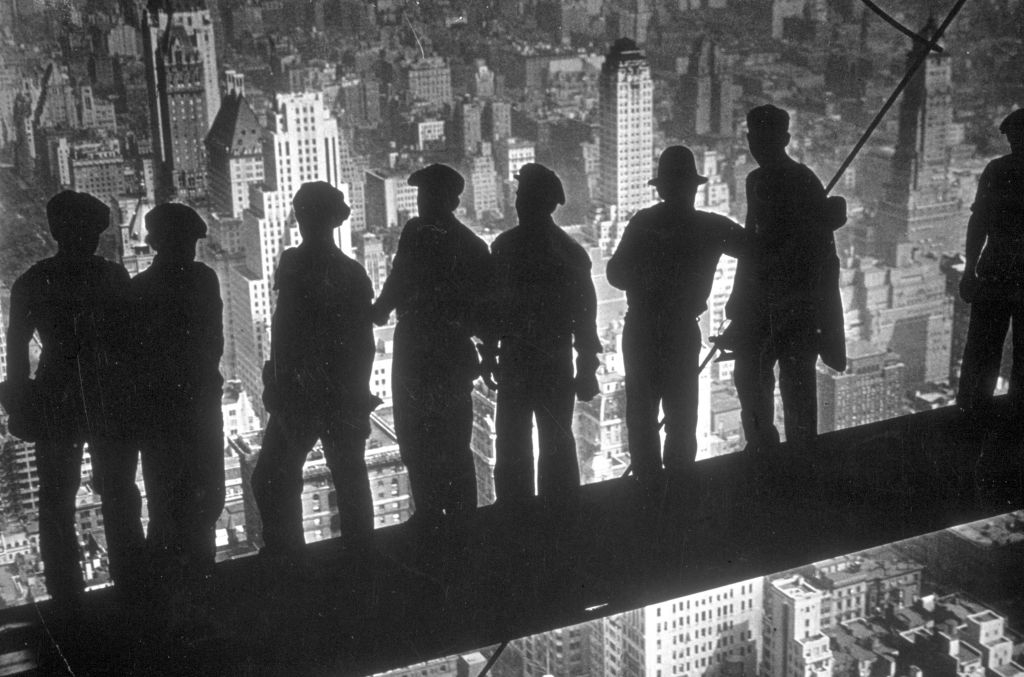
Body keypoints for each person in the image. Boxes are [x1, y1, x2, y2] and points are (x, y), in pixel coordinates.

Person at [3, 191, 144, 607]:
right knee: (117, 490)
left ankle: (67, 597)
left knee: (56, 498)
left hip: (56, 395)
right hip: (106, 394)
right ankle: (132, 584)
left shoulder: (32, 281)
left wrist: (21, 400)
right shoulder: (113, 277)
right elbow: (131, 342)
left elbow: (15, 353)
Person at [607, 147, 748, 485]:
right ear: (693, 188)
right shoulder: (711, 227)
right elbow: (755, 250)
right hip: (681, 332)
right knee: (682, 417)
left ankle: (647, 490)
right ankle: (679, 490)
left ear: (661, 188)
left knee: (641, 416)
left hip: (641, 329)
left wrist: (649, 273)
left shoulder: (644, 222)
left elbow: (615, 274)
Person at [252, 182, 377, 558]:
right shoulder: (346, 272)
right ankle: (358, 556)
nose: (302, 220)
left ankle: (290, 556)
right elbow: (286, 330)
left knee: (277, 477)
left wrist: (282, 384)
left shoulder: (303, 265)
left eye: (306, 213)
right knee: (346, 477)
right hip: (324, 395)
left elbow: (354, 343)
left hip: (308, 396)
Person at [372, 164, 490, 525]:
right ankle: (454, 515)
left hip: (422, 350)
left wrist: (378, 311)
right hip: (445, 353)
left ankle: (439, 514)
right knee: (440, 438)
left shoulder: (423, 234)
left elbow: (398, 281)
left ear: (449, 200)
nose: (422, 201)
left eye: (428, 195)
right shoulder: (468, 244)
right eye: (421, 195)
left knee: (428, 436)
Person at [724, 105, 846, 453]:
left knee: (792, 383)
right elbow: (752, 242)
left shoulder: (802, 181)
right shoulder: (758, 181)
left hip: (794, 303)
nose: (760, 145)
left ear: (785, 140)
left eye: (767, 138)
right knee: (752, 377)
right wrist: (738, 300)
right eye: (756, 138)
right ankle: (767, 446)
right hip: (768, 301)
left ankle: (797, 453)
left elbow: (819, 249)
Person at [483, 163, 601, 503]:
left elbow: (494, 308)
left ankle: (517, 516)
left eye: (522, 196)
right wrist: (587, 368)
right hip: (552, 361)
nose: (517, 203)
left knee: (514, 441)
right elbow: (586, 319)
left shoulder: (506, 247)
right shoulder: (570, 254)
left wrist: (490, 353)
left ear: (538, 202)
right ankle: (560, 515)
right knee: (555, 439)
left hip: (520, 360)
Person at [130, 203, 224, 583]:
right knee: (204, 502)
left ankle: (172, 593)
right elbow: (212, 345)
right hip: (198, 407)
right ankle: (199, 585)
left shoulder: (138, 290)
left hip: (160, 414)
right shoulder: (204, 280)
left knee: (166, 502)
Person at [956, 109, 1024, 419]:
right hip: (1003, 273)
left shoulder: (997, 171)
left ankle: (971, 415)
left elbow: (978, 223)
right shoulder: (996, 170)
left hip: (995, 271)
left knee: (982, 351)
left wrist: (970, 269)